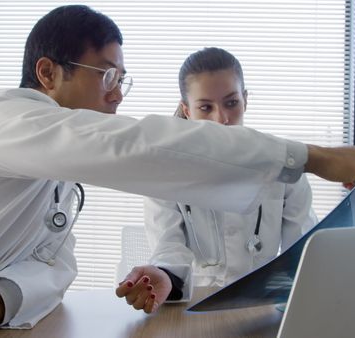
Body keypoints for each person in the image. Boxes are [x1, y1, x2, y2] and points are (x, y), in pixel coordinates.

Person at [0, 5, 355, 338]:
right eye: (108, 76)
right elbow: (132, 145)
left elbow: (56, 266)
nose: (118, 95)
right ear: (47, 73)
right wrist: (309, 156)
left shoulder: (50, 168)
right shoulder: (3, 120)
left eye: (125, 79)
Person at [115, 47, 318, 312]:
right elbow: (169, 249)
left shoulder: (284, 168)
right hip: (197, 307)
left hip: (264, 308)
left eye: (231, 103)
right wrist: (165, 275)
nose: (221, 119)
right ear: (187, 110)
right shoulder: (165, 174)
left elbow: (302, 252)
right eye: (205, 107)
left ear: (245, 100)